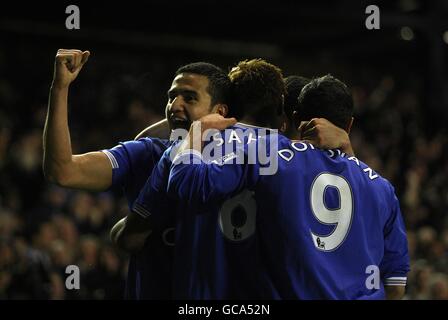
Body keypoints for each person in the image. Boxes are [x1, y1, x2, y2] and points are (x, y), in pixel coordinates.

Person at [138, 63, 410, 299]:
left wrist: (196, 132)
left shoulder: (269, 154)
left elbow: (188, 183)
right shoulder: (383, 188)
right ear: (349, 126)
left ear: (292, 118)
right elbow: (395, 285)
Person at [42, 48, 231, 298]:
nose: (174, 106)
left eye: (190, 98)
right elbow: (62, 171)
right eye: (171, 97)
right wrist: (59, 88)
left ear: (220, 111)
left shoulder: (240, 164)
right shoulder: (146, 154)